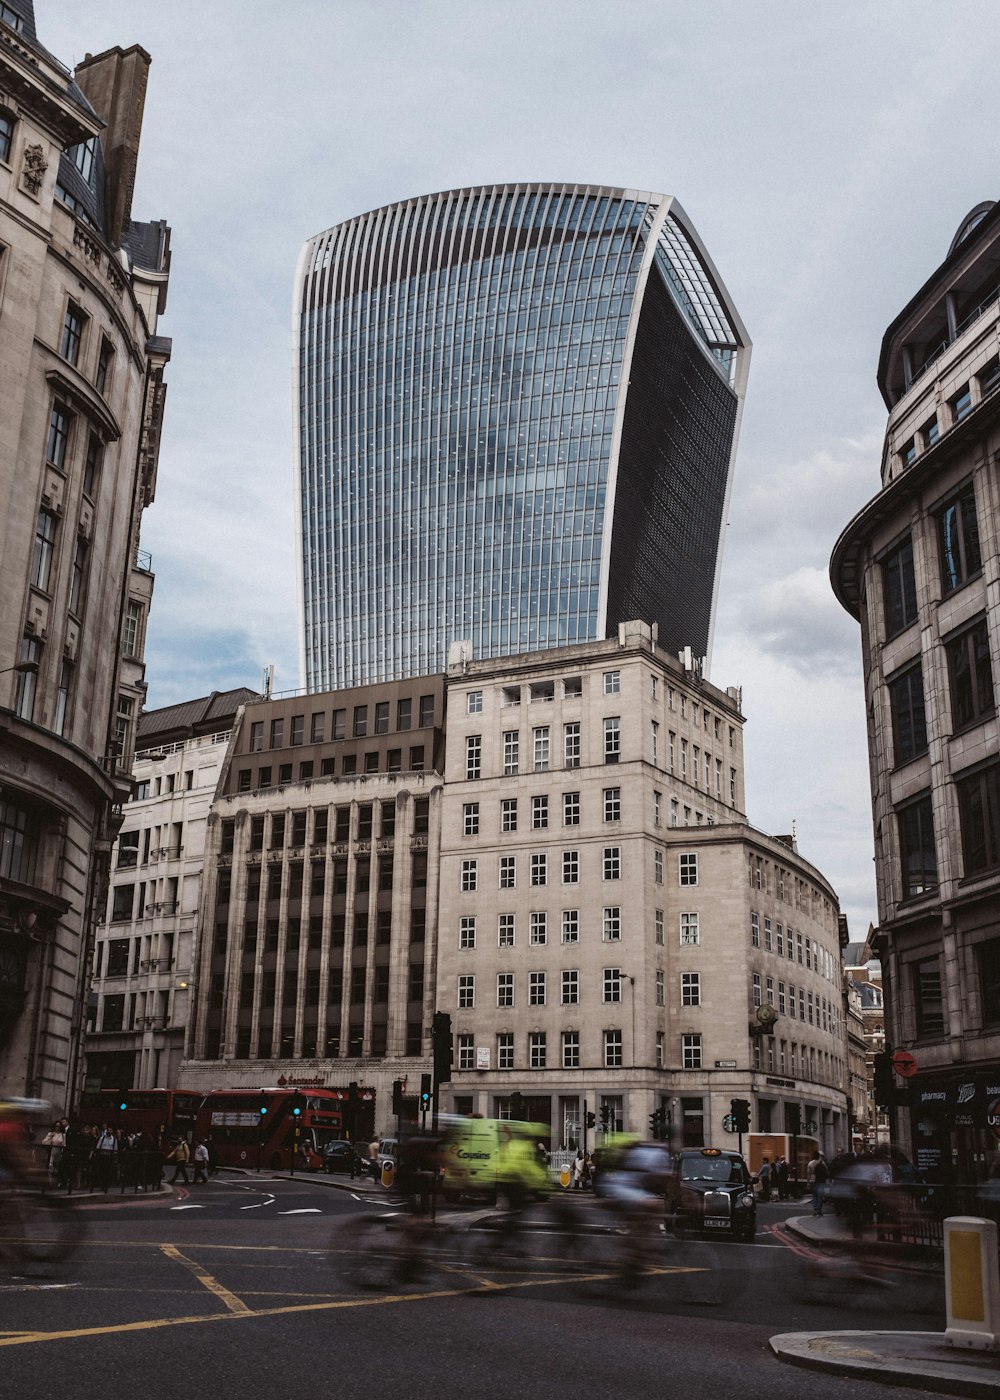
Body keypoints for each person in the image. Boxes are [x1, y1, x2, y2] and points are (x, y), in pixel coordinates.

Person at [807, 1150, 829, 1217]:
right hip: (820, 1181)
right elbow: (827, 1172)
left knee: (814, 1196)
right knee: (820, 1196)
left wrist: (808, 1182)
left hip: (812, 1180)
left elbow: (808, 1174)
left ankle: (815, 1209)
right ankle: (819, 1210)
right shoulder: (822, 1163)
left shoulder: (810, 1163)